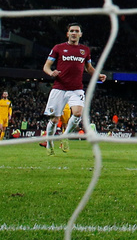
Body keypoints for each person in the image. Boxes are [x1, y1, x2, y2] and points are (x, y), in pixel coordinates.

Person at [42, 23, 100, 155]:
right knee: (54, 120)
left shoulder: (85, 50)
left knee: (78, 113)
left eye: (77, 31)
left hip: (76, 89)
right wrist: (51, 73)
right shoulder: (58, 48)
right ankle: (49, 143)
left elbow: (89, 68)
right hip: (59, 88)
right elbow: (46, 66)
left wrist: (98, 75)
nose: (74, 33)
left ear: (80, 34)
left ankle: (65, 136)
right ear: (67, 34)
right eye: (72, 31)